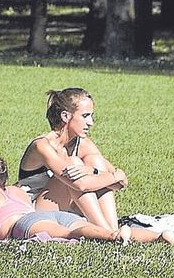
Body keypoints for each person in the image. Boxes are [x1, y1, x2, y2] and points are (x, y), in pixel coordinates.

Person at [17, 88, 131, 232]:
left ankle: (112, 229)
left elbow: (120, 184)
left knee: (95, 160)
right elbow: (81, 185)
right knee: (74, 164)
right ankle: (108, 233)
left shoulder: (83, 143)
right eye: (85, 116)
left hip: (66, 204)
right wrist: (113, 176)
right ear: (65, 116)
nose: (91, 123)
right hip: (36, 211)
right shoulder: (42, 146)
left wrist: (93, 171)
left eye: (91, 116)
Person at [0, 154, 130, 242]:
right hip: (43, 216)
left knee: (69, 233)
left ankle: (112, 236)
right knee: (79, 226)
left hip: (25, 224)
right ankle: (155, 236)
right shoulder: (15, 190)